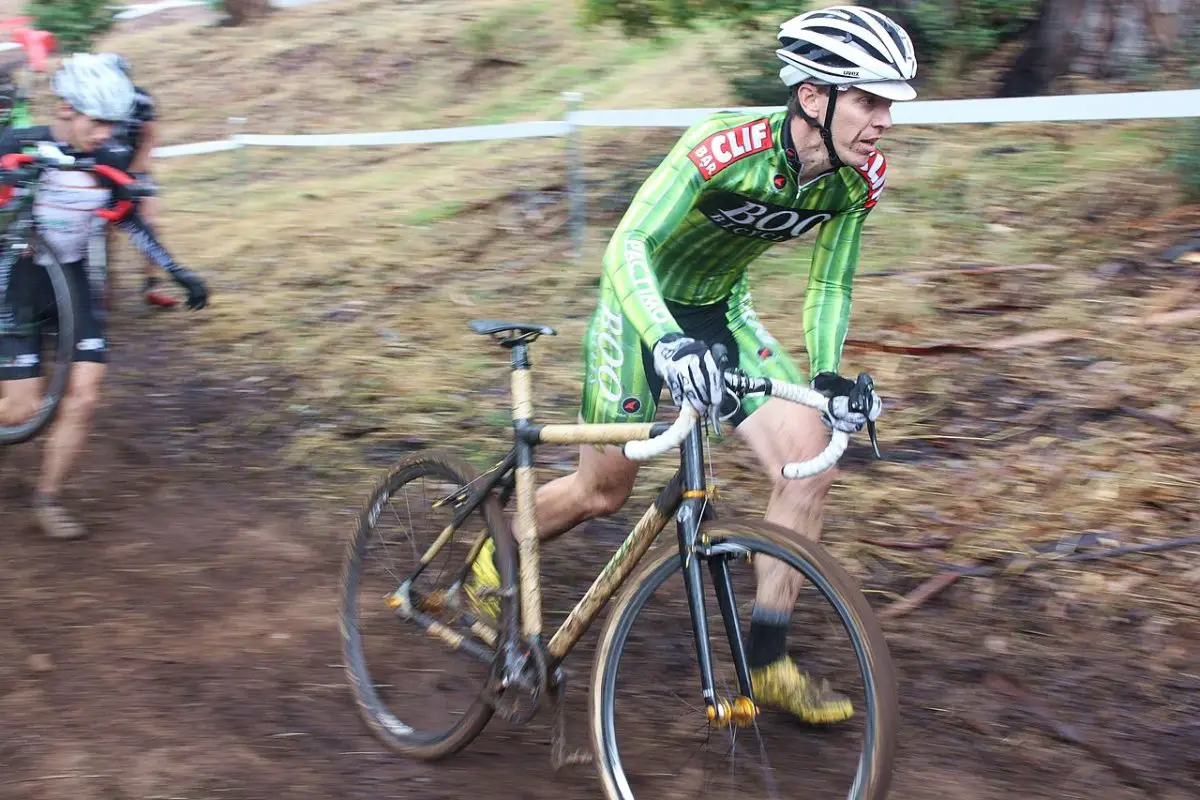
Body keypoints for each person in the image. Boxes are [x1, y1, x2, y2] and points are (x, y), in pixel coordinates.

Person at [469, 6, 916, 724]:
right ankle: (492, 549)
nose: (885, 120)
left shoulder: (856, 179)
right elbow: (628, 246)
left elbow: (829, 283)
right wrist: (666, 342)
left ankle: (767, 662)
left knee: (810, 459)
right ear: (813, 97)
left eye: (889, 102)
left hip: (720, 312)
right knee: (603, 492)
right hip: (638, 309)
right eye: (869, 100)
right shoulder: (722, 146)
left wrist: (829, 375)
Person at [0, 52, 208, 540]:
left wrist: (178, 271)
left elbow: (130, 218)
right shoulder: (15, 144)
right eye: (97, 124)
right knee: (21, 410)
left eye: (113, 126)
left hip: (72, 280)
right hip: (20, 282)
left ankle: (47, 499)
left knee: (85, 396)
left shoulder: (108, 158)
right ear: (66, 108)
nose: (105, 136)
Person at [96, 52, 178, 308]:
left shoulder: (140, 98)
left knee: (149, 224)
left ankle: (152, 284)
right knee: (105, 229)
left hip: (134, 167)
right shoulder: (93, 101)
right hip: (102, 168)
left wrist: (136, 171)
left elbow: (150, 137)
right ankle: (105, 287)